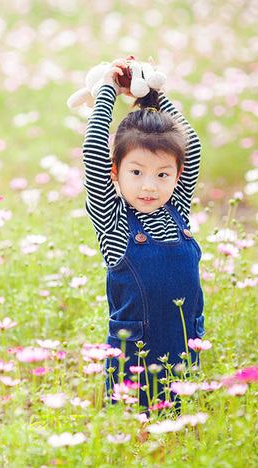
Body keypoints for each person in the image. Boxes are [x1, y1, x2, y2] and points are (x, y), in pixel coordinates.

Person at [80, 58, 205, 412]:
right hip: (134, 357)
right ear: (115, 172)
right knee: (136, 431)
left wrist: (151, 94)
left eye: (163, 174)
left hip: (183, 349)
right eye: (136, 172)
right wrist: (108, 89)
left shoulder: (176, 209)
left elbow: (190, 145)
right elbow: (92, 153)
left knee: (177, 427)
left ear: (177, 174)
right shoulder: (114, 223)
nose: (150, 186)